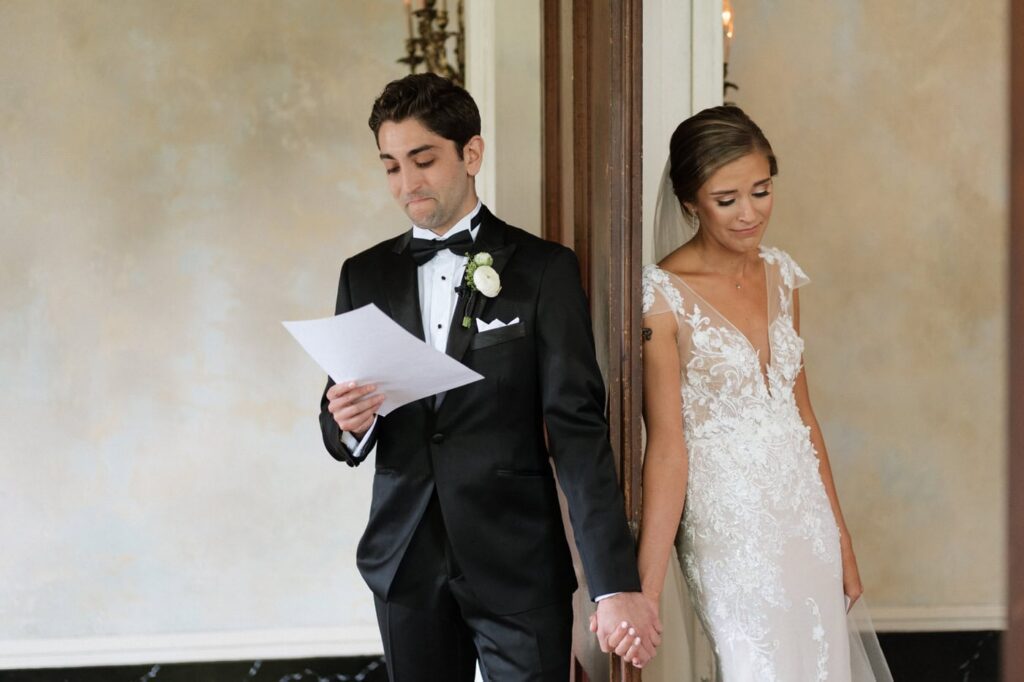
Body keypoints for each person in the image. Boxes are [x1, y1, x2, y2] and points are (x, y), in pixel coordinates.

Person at [318, 73, 660, 681]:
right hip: (404, 563)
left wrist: (613, 584)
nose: (407, 183)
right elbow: (340, 413)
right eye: (391, 166)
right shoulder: (362, 276)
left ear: (470, 153)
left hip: (519, 562)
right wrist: (347, 423)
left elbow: (579, 432)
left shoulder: (544, 270)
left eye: (422, 160)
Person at [637, 106, 892, 680]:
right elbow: (667, 446)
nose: (750, 214)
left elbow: (801, 414)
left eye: (761, 190)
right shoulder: (662, 297)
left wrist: (842, 541)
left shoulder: (781, 275)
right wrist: (645, 591)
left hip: (805, 519)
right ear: (689, 202)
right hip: (730, 533)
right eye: (727, 200)